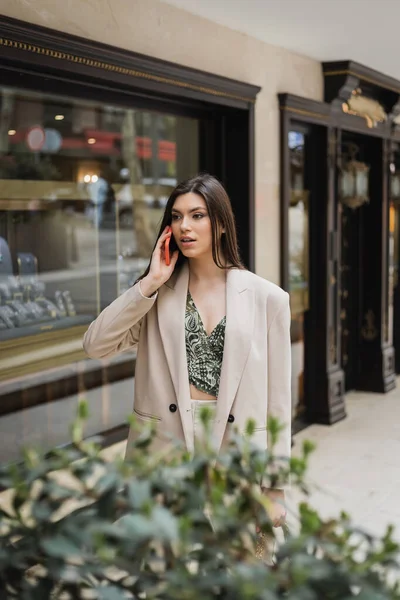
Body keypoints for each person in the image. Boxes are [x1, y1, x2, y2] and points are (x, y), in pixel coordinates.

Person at [83, 173, 291, 530]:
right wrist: (149, 281)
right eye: (176, 217)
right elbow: (96, 345)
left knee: (235, 570)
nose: (184, 226)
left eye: (197, 215)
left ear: (221, 224)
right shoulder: (157, 295)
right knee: (168, 573)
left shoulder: (267, 299)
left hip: (236, 452)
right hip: (165, 451)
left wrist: (275, 488)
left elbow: (278, 403)